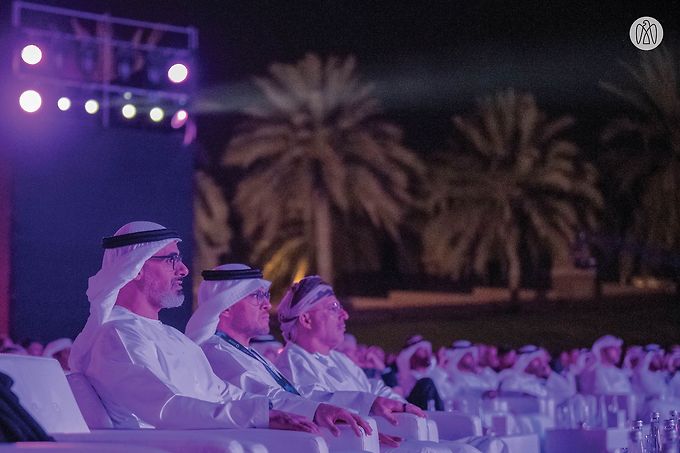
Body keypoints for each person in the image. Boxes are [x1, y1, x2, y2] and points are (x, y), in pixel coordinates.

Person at [68, 221, 321, 433]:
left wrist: (312, 410)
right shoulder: (117, 335)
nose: (184, 269)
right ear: (135, 269)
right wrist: (259, 417)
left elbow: (225, 394)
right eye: (171, 260)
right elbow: (166, 408)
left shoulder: (173, 337)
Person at [184, 264, 372, 439]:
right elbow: (265, 395)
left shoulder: (243, 351)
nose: (267, 304)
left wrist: (349, 426)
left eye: (266, 295)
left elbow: (293, 393)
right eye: (256, 296)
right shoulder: (215, 352)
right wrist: (318, 411)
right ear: (225, 307)